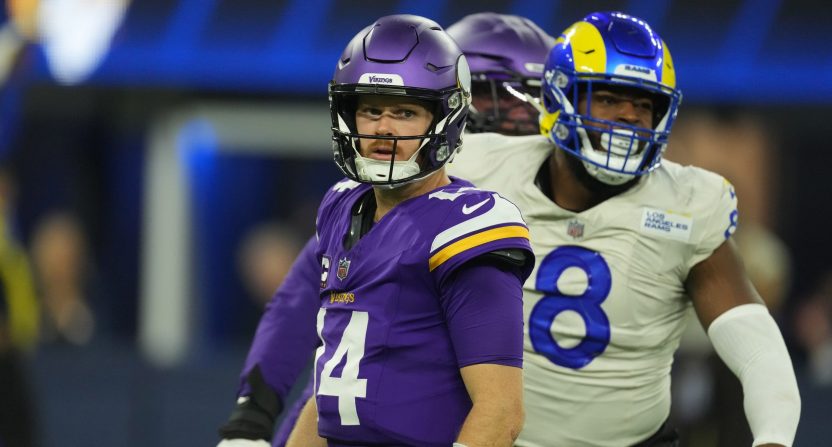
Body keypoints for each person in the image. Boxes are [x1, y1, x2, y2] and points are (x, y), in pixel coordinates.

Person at [449, 11, 800, 446]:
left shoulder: (687, 205)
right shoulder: (477, 169)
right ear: (560, 98)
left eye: (644, 104)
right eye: (609, 98)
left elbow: (758, 348)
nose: (630, 116)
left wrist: (774, 439)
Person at [217, 12, 552, 447]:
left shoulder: (474, 221)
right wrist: (252, 418)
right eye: (371, 110)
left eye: (404, 112)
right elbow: (330, 371)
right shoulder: (344, 204)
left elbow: (500, 411)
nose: (383, 128)